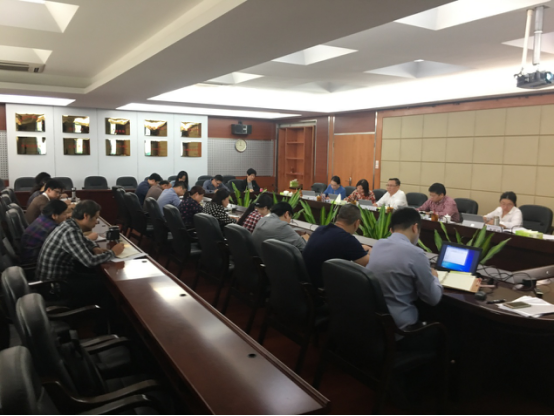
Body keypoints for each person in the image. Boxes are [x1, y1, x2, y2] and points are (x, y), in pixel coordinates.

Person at [366, 207, 443, 349]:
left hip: (374, 321)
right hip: (400, 329)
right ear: (415, 227)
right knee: (443, 333)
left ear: (392, 228)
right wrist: (435, 278)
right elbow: (433, 299)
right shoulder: (416, 254)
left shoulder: (378, 245)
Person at [36, 200, 124, 307]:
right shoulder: (70, 232)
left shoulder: (69, 224)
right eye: (96, 218)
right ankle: (102, 315)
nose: (97, 222)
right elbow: (90, 261)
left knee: (99, 277)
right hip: (55, 287)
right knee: (106, 286)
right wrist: (113, 252)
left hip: (58, 278)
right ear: (86, 216)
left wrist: (95, 247)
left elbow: (83, 239)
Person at [303, 204, 371, 288]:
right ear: (357, 223)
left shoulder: (320, 229)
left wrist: (360, 248)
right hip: (324, 290)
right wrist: (370, 251)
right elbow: (367, 263)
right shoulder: (347, 240)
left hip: (306, 286)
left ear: (337, 217)